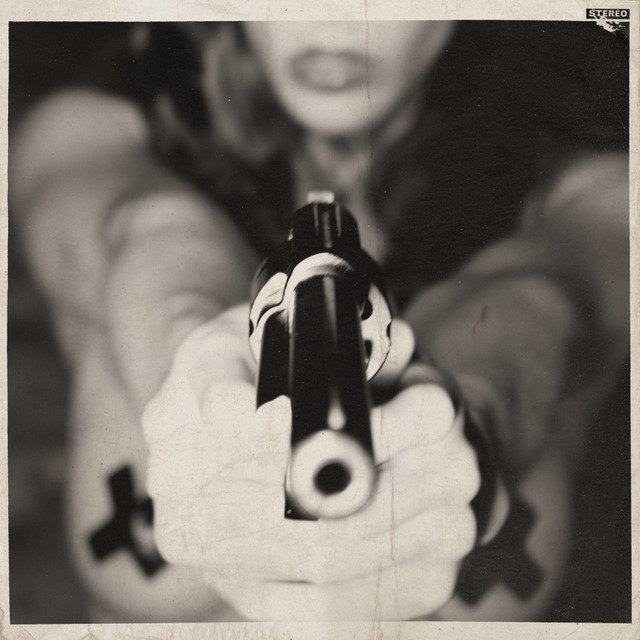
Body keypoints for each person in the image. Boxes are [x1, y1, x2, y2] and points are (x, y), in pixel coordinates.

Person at [9, 21, 629, 622]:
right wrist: (197, 359)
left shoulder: (606, 185)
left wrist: (475, 409)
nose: (335, 14)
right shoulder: (85, 133)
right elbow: (149, 233)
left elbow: (538, 300)